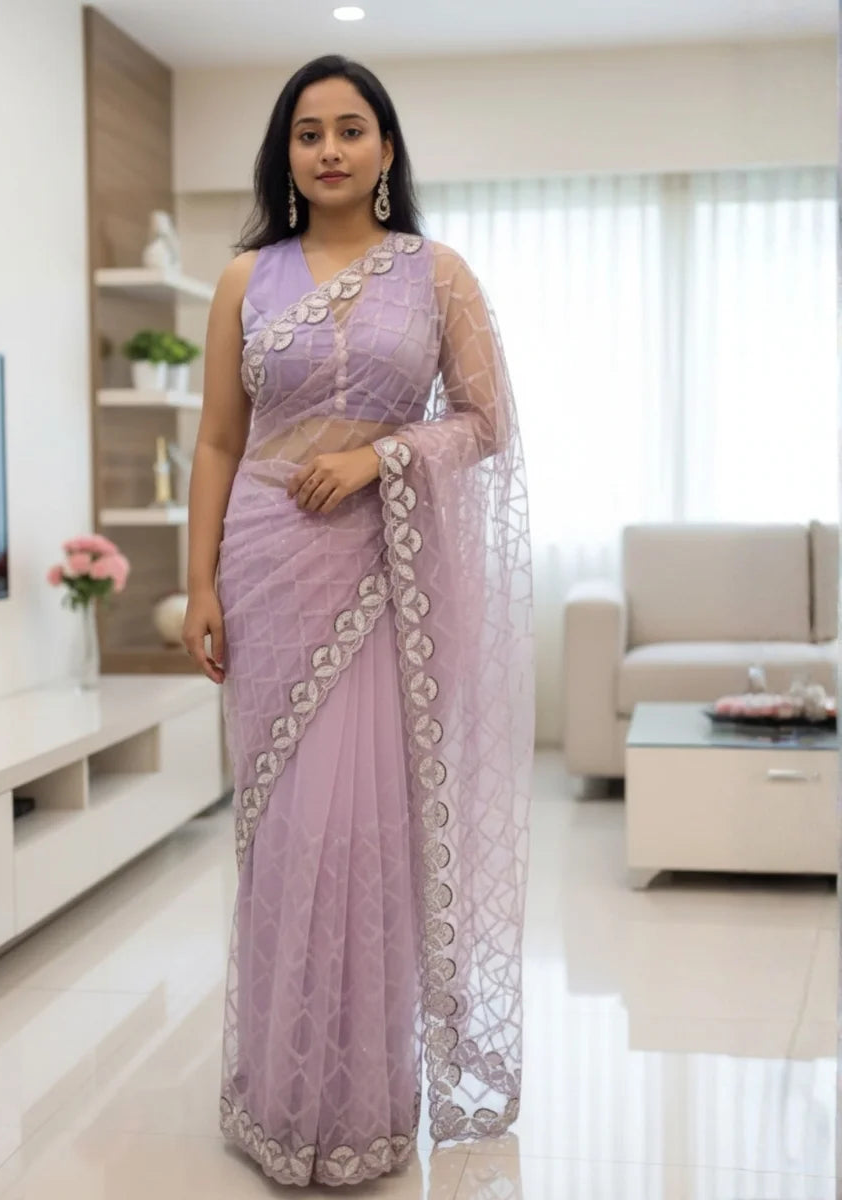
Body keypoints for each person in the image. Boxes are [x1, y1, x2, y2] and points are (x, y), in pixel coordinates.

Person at [183, 54, 534, 1189]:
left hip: (385, 578)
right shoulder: (246, 277)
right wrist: (198, 586)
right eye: (306, 134)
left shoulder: (437, 275)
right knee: (284, 833)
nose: (327, 149)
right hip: (267, 565)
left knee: (366, 831)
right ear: (285, 155)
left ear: (385, 150)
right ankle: (281, 1094)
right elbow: (219, 445)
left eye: (349, 129)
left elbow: (487, 422)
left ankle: (368, 1105)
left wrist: (379, 456)